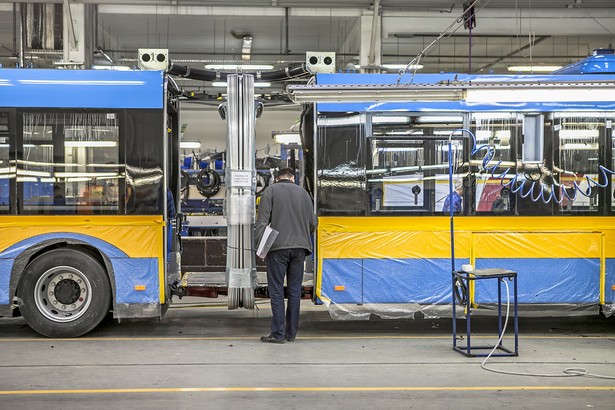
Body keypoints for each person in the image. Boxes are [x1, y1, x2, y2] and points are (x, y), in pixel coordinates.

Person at [255, 167, 318, 343]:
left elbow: (262, 222)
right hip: (300, 249)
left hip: (277, 248)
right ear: (292, 178)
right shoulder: (304, 194)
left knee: (276, 291)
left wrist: (260, 249)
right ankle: (291, 334)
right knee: (294, 291)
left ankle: (277, 334)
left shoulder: (270, 191)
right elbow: (314, 222)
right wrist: (303, 235)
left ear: (277, 178)